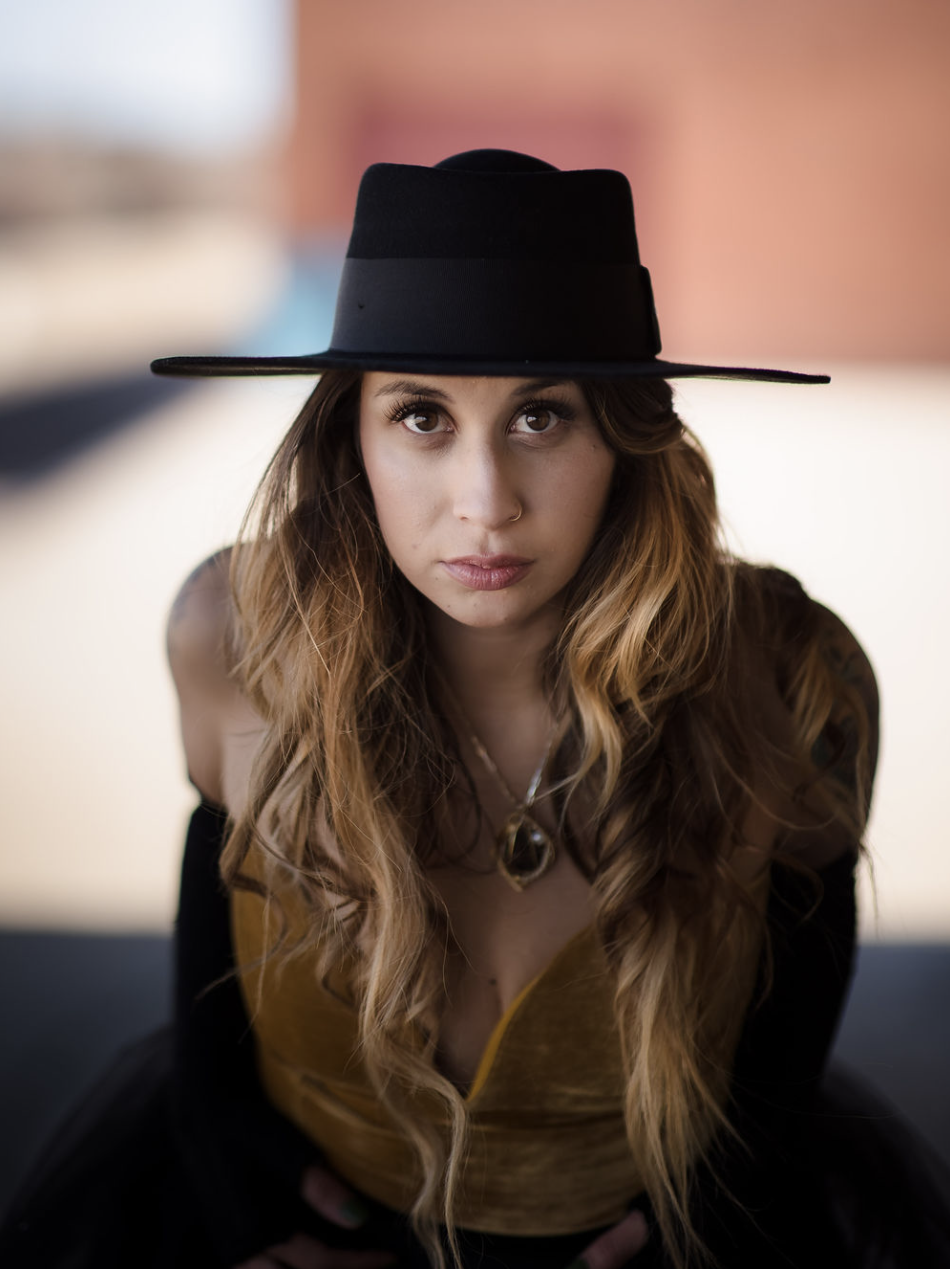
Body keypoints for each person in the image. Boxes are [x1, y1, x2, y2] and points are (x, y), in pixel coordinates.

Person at [3, 149, 948, 1269]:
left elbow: (786, 1042)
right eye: (420, 417)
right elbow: (216, 940)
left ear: (628, 439)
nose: (485, 506)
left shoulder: (786, 677)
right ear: (346, 437)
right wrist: (245, 1199)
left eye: (541, 417)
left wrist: (699, 1234)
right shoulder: (233, 639)